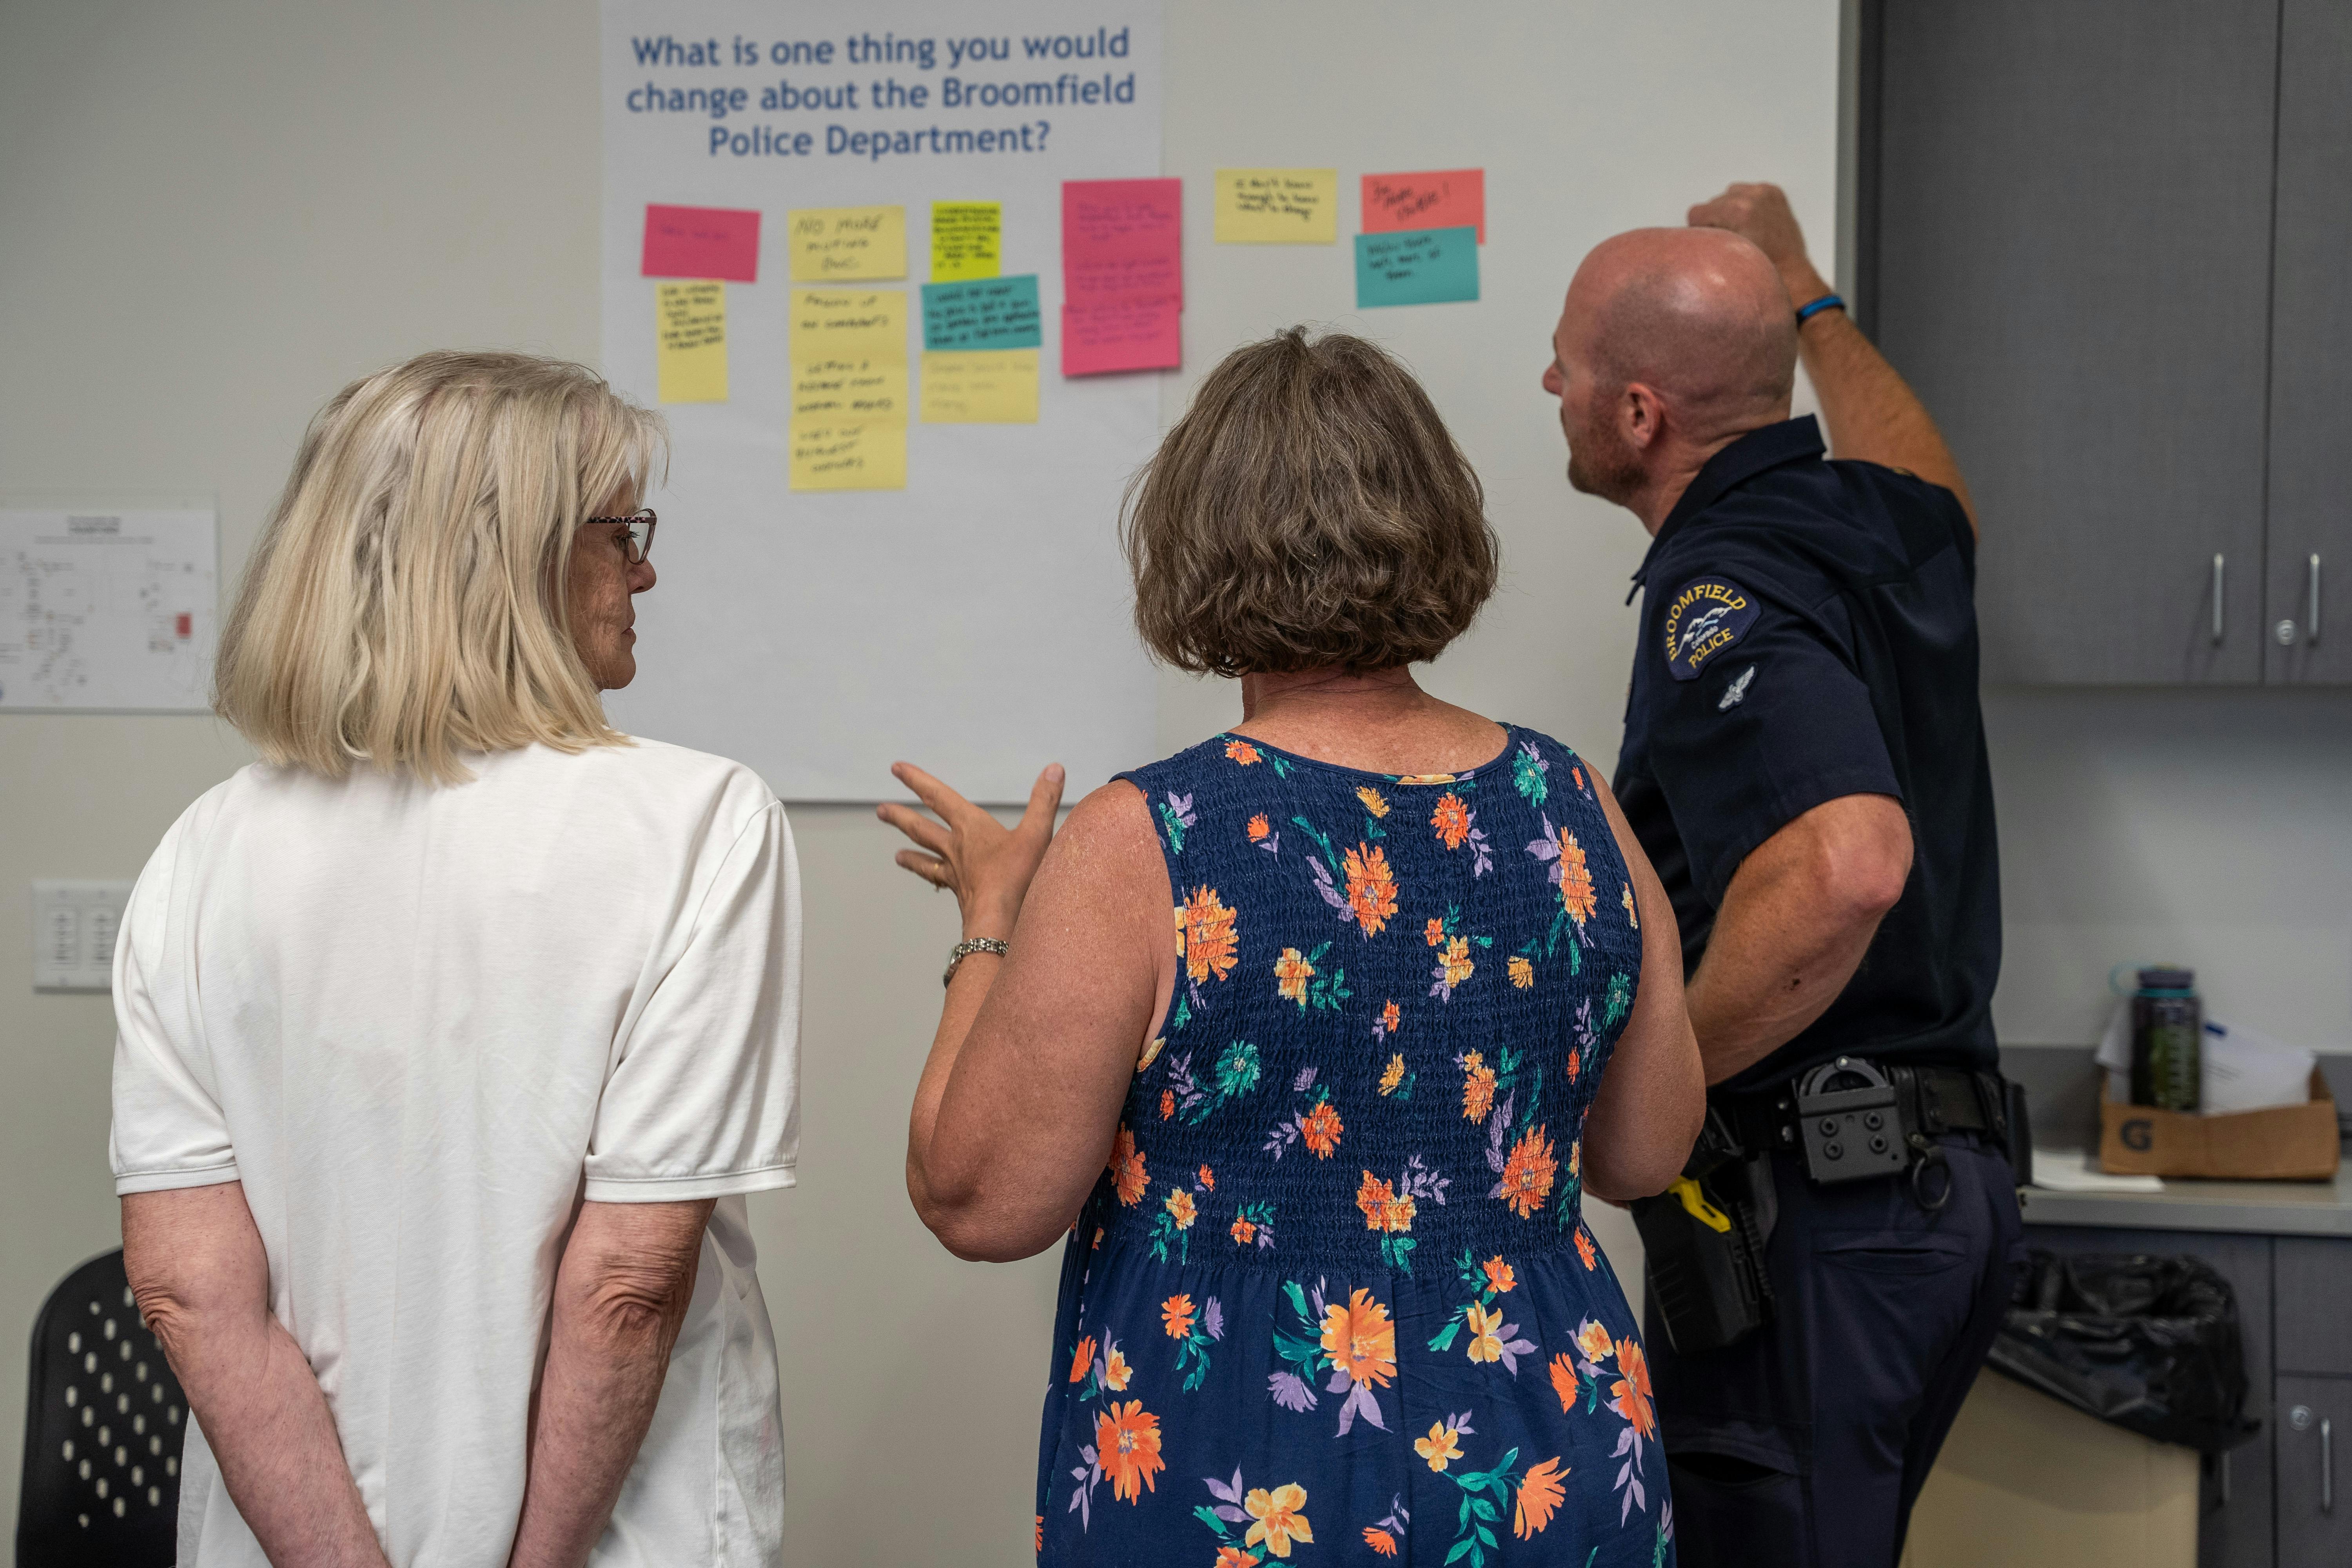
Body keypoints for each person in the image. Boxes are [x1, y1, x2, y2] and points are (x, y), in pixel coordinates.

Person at [880, 328, 1705, 1566]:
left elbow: (978, 1198)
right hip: (1550, 1451)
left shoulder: (1148, 839)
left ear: (1194, 545)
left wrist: (990, 923)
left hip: (1245, 1470)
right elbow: (1643, 1154)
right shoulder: (1573, 805)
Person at [110, 352, 802, 1568]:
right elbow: (626, 1287)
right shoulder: (701, 824)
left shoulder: (202, 851)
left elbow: (187, 1295)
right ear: (512, 554)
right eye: (618, 531)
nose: (647, 568)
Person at [1541, 186, 2018, 1566]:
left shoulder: (1722, 580)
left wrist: (1654, 1086)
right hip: (1943, 1194)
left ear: (1638, 415)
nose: (1549, 382)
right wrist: (1809, 290)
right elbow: (1947, 499)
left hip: (1824, 1211)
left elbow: (1848, 862)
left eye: (1568, 361)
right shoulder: (1881, 525)